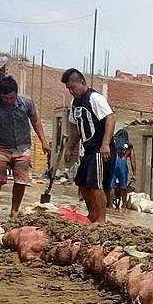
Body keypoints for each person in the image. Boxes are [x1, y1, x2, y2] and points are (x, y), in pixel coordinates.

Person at [0, 75, 50, 217]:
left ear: (16, 94)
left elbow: (35, 121)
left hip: (22, 146)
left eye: (12, 98)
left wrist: (43, 140)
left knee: (21, 179)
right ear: (0, 95)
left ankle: (14, 210)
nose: (9, 101)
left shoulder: (26, 102)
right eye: (5, 99)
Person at [60, 68, 114, 224]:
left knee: (96, 185)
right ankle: (92, 215)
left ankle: (101, 219)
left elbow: (110, 118)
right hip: (88, 150)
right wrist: (70, 147)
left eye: (73, 87)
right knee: (82, 183)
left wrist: (105, 144)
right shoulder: (75, 103)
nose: (71, 91)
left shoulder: (94, 98)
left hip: (100, 149)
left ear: (82, 82)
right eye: (69, 89)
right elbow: (76, 128)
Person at [105, 128, 132, 210]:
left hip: (113, 162)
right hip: (122, 163)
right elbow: (133, 160)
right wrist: (134, 174)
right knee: (123, 185)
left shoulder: (113, 141)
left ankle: (110, 205)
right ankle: (124, 205)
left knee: (111, 185)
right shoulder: (129, 145)